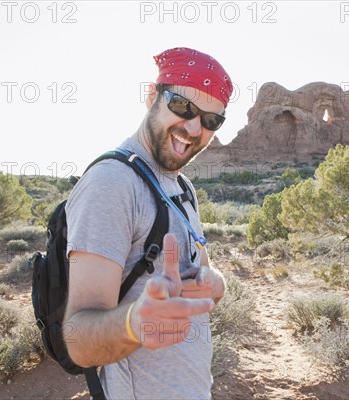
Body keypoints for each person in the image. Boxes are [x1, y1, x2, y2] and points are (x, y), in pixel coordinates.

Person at [63, 47, 232, 399]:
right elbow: (79, 339)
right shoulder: (112, 183)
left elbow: (202, 272)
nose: (193, 127)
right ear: (151, 96)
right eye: (182, 105)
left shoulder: (182, 187)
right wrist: (134, 323)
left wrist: (214, 284)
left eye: (210, 120)